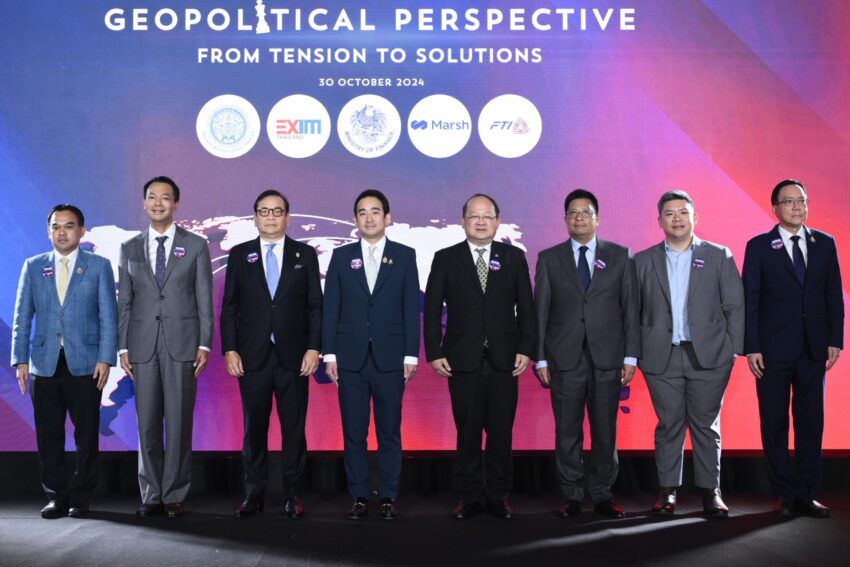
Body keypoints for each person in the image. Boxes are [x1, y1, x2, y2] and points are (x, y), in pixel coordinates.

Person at [424, 194, 535, 520]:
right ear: (463, 221)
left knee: (501, 434)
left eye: (487, 216)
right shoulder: (446, 258)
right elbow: (432, 309)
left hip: (505, 360)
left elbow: (526, 308)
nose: (481, 221)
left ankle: (499, 496)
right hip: (462, 360)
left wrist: (526, 348)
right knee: (468, 433)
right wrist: (434, 351)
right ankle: (469, 496)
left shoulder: (514, 257)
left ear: (497, 222)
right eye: (474, 216)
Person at [635, 190, 743, 518]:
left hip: (710, 356)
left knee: (706, 426)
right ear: (659, 221)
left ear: (695, 217)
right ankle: (667, 491)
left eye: (683, 212)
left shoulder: (719, 255)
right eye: (669, 213)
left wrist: (732, 351)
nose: (677, 218)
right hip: (660, 356)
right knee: (668, 424)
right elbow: (632, 311)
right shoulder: (642, 260)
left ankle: (712, 492)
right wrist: (634, 353)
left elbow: (735, 306)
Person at [534, 189, 639, 519]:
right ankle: (572, 495)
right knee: (567, 431)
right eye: (573, 212)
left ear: (598, 218)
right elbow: (541, 312)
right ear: (565, 219)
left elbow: (631, 309)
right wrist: (541, 358)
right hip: (563, 358)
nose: (579, 217)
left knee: (605, 431)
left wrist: (631, 356)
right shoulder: (549, 258)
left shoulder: (620, 255)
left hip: (608, 358)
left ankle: (603, 494)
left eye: (586, 212)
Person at [743, 179, 843, 519]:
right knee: (774, 424)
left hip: (813, 350)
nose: (797, 206)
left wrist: (835, 339)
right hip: (771, 352)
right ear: (775, 208)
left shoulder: (824, 243)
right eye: (789, 201)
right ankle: (782, 495)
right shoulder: (759, 246)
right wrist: (751, 347)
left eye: (802, 200)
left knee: (811, 424)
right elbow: (750, 300)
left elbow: (833, 294)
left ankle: (807, 494)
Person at [11, 204, 117, 519]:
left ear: (81, 231)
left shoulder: (98, 266)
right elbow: (21, 317)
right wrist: (20, 360)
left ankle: (81, 497)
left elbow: (108, 317)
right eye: (56, 226)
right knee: (48, 435)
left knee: (86, 435)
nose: (62, 232)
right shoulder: (33, 266)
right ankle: (57, 496)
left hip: (86, 363)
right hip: (43, 363)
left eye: (69, 226)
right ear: (48, 231)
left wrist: (105, 357)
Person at [221, 190, 322, 519]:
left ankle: (293, 494)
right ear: (255, 217)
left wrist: (313, 348)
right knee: (254, 428)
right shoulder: (240, 254)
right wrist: (230, 349)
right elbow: (229, 307)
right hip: (252, 357)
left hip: (295, 357)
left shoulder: (304, 254)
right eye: (264, 211)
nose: (270, 217)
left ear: (287, 218)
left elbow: (315, 306)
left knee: (294, 429)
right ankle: (254, 494)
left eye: (277, 211)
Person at [117, 176, 214, 518]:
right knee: (146, 424)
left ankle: (173, 493)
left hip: (183, 344)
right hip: (141, 346)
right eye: (152, 197)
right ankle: (151, 492)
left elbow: (204, 298)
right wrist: (123, 348)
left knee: (178, 422)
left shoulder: (196, 245)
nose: (158, 203)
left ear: (176, 204)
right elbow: (125, 302)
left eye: (165, 197)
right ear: (144, 203)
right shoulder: (129, 247)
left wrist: (204, 343)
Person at [322, 189, 419, 520]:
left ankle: (389, 495)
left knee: (389, 432)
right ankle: (359, 496)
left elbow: (410, 307)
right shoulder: (341, 257)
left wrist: (411, 355)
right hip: (350, 358)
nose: (369, 217)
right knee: (354, 433)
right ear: (355, 219)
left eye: (375, 211)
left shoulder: (404, 255)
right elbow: (331, 307)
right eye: (362, 212)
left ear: (387, 218)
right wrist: (329, 354)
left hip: (391, 357)